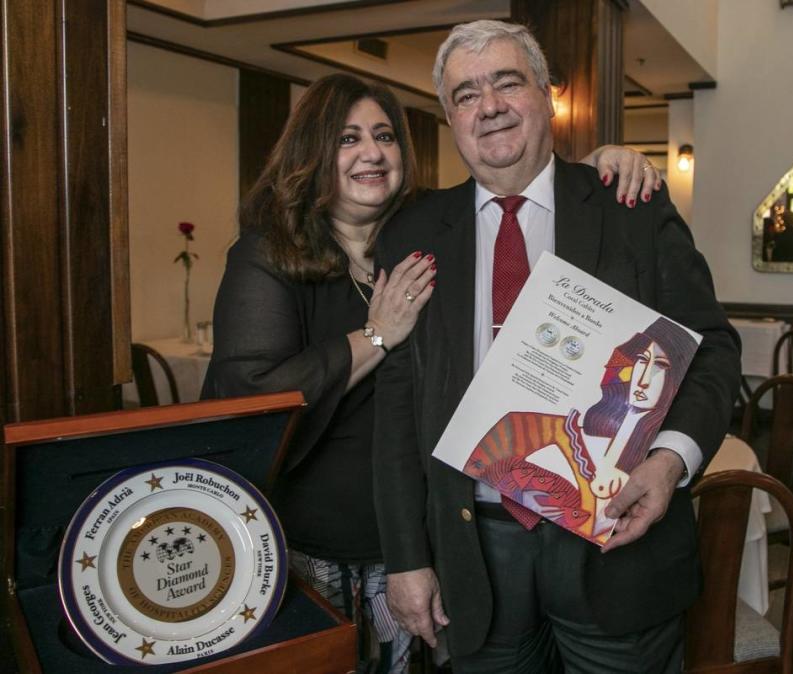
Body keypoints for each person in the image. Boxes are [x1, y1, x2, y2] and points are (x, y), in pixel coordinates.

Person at [201, 71, 661, 673]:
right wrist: (375, 336)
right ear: (311, 152)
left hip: (441, 531)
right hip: (329, 538)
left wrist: (593, 167)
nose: (372, 152)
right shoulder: (270, 252)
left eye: (385, 135)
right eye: (346, 139)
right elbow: (252, 394)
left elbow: (519, 187)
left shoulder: (425, 230)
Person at [372, 20, 741, 673]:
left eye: (506, 82)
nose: (488, 106)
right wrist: (406, 558)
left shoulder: (630, 204)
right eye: (465, 94)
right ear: (451, 118)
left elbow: (710, 348)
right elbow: (396, 408)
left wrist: (667, 464)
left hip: (619, 543)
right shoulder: (416, 230)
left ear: (546, 95)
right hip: (473, 551)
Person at [462, 318, 699, 543]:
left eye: (659, 366)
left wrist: (670, 458)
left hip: (617, 553)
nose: (644, 379)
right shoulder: (540, 427)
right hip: (470, 524)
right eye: (641, 361)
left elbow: (715, 352)